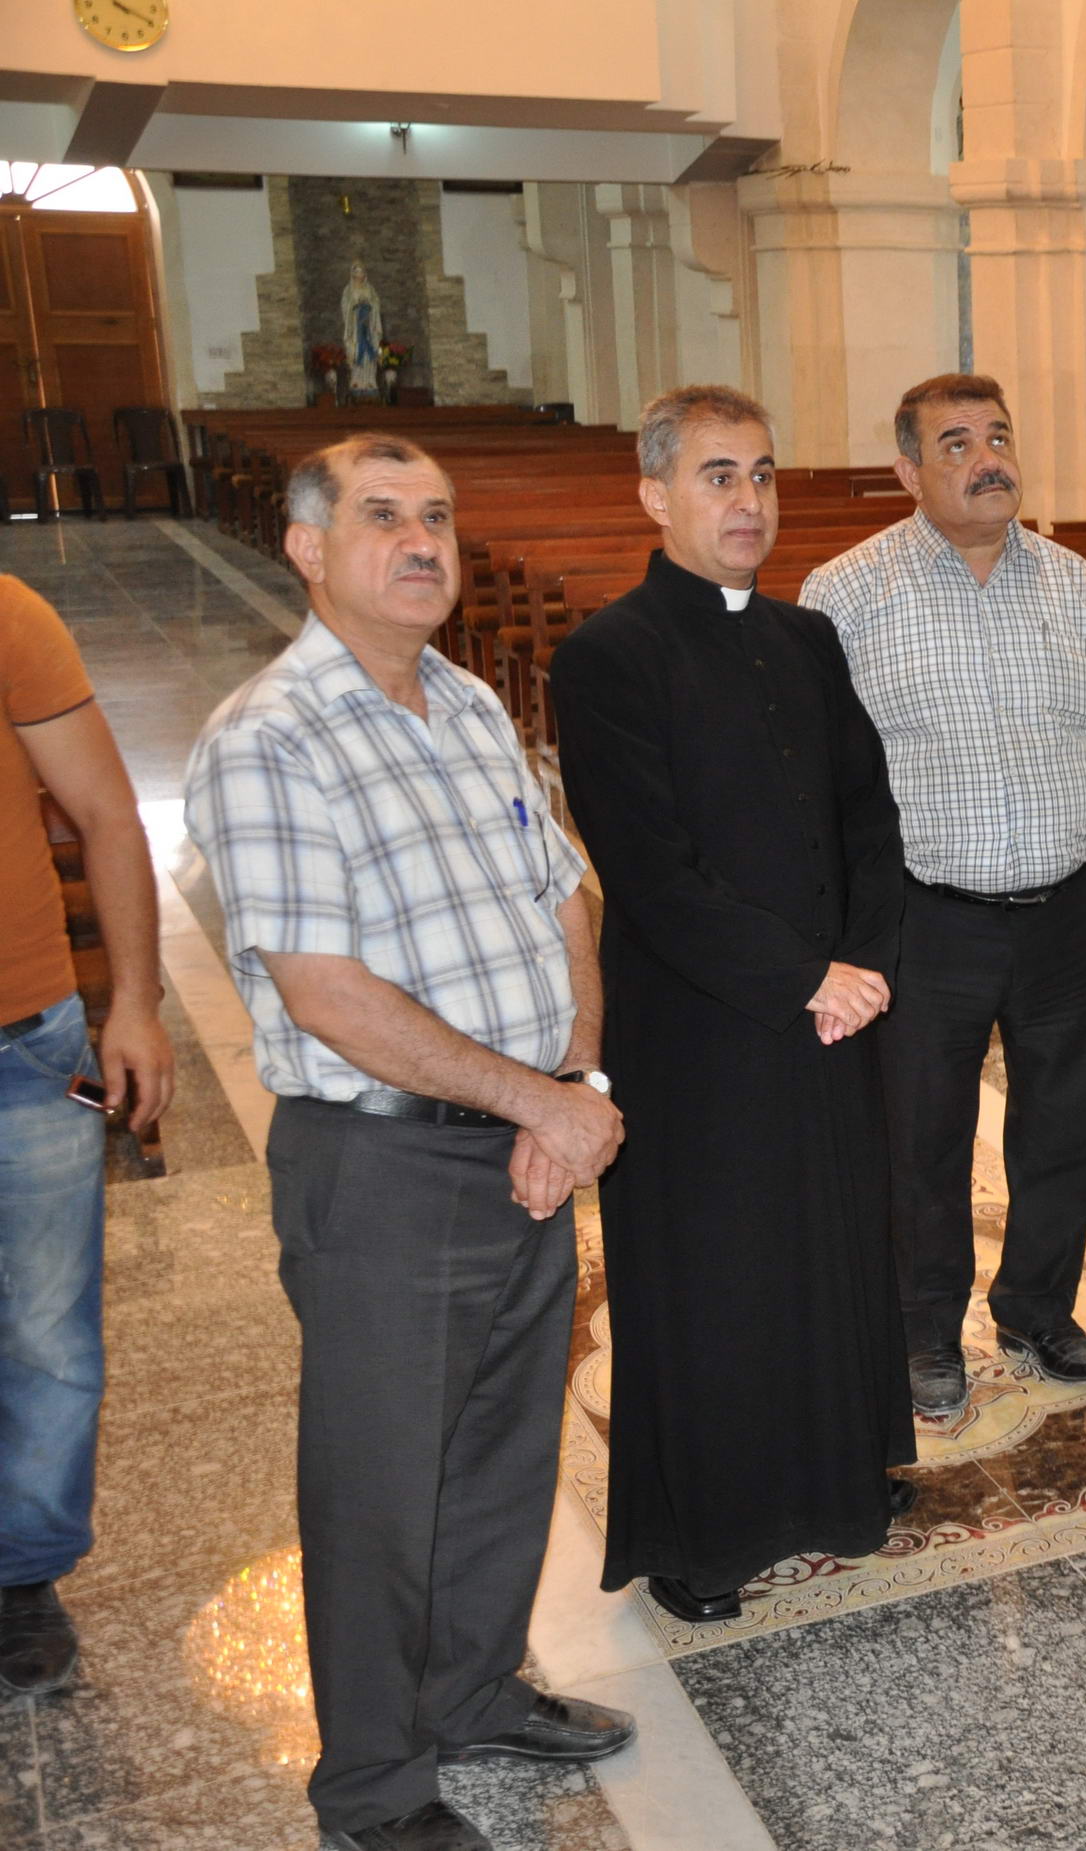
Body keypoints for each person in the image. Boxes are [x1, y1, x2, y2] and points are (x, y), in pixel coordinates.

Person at [186, 434, 635, 1851]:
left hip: (521, 1135)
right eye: (382, 516)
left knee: (502, 1451)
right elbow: (327, 994)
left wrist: (569, 1080)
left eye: (436, 515)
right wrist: (537, 1102)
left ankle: (473, 1689)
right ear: (308, 548)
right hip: (382, 1167)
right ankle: (373, 1792)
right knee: (380, 1490)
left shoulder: (467, 701)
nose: (422, 541)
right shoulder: (269, 737)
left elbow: (563, 892)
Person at [548, 387, 917, 1627]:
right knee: (714, 1278)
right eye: (718, 476)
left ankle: (838, 1481)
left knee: (831, 1248)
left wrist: (863, 964)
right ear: (655, 496)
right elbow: (649, 871)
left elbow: (868, 814)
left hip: (832, 1014)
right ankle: (701, 1535)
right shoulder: (607, 658)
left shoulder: (806, 638)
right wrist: (803, 976)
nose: (749, 500)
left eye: (761, 474)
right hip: (701, 1031)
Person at [803, 375, 1086, 1422]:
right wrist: (840, 931)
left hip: (1066, 908)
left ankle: (1037, 1310)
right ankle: (923, 1330)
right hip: (924, 917)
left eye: (998, 437)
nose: (988, 458)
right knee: (922, 1139)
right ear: (908, 471)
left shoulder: (1071, 582)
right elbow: (815, 774)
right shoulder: (847, 591)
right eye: (956, 443)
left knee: (1067, 1128)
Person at [0, 577, 174, 1698]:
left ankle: (22, 1571)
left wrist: (138, 1005)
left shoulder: (8, 616)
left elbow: (108, 813)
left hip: (23, 1044)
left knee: (47, 1331)